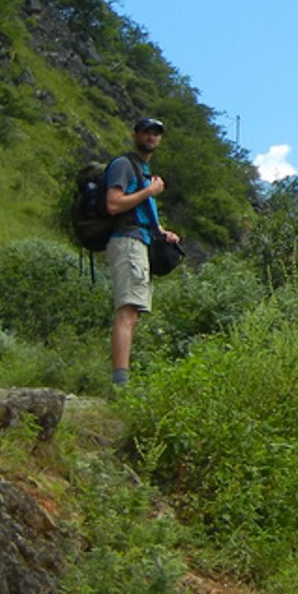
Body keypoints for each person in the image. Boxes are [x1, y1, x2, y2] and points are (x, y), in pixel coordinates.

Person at [105, 114, 179, 389]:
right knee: (127, 311)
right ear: (135, 135)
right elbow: (114, 204)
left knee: (133, 312)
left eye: (156, 133)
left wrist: (162, 232)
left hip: (140, 241)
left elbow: (140, 212)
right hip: (127, 242)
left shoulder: (142, 172)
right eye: (146, 132)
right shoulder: (124, 166)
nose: (151, 137)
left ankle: (122, 377)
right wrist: (149, 192)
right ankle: (120, 382)